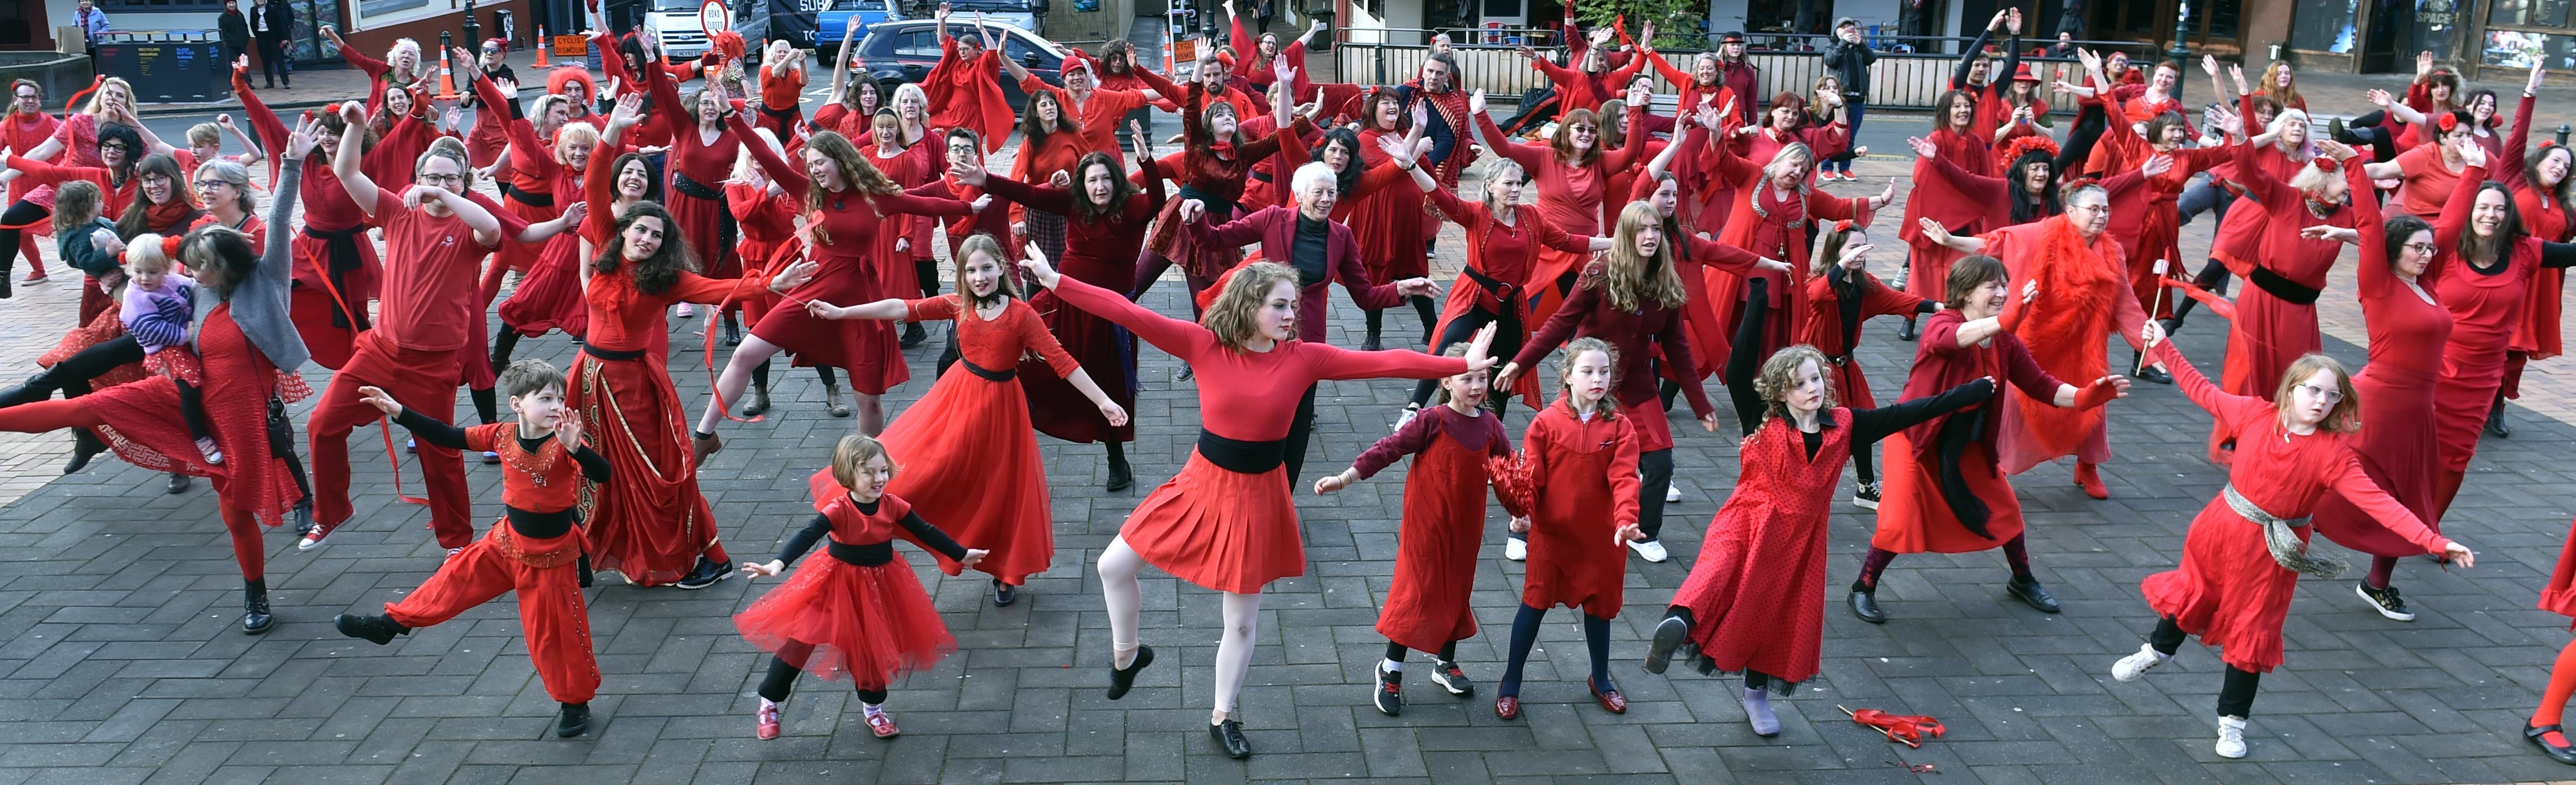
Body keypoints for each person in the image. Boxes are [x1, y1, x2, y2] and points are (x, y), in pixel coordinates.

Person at [1022, 249, 1493, 758]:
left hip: (1258, 496)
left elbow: (1383, 363)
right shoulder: (1202, 345)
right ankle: (1127, 656)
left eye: (1294, 305)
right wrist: (1057, 281)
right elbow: (1126, 310)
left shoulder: (1305, 358)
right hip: (1201, 483)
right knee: (1112, 566)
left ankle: (1223, 714)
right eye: (1282, 305)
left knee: (1242, 621)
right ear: (1249, 305)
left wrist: (1458, 364)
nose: (1293, 315)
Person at [1643, 279, 1994, 738]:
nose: (1811, 388)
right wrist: (1757, 300)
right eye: (1799, 383)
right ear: (1780, 391)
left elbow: (1908, 412)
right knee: (1717, 569)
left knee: (1774, 614)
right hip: (1747, 519)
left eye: (1815, 379)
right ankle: (1679, 622)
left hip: (1799, 542)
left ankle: (1756, 695)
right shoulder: (1761, 419)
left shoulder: (1846, 426)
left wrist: (1967, 393)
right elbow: (1739, 367)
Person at [0, 134, 312, 635]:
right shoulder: (200, 294)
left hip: (238, 418)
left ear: (223, 266)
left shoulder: (264, 288)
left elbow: (276, 224)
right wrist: (122, 262)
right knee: (93, 406)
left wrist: (291, 163)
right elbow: (164, 261)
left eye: (200, 265)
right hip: (185, 394)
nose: (189, 272)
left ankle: (256, 592)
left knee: (235, 516)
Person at [2113, 326, 2474, 760]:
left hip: (2274, 549)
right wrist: (2162, 345)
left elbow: (2380, 504)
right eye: (2315, 390)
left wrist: (2433, 541)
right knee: (2195, 592)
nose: (2323, 401)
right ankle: (2157, 651)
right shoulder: (2253, 413)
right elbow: (2200, 389)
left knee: (2254, 628)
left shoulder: (2334, 455)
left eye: (2334, 396)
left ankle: (2232, 724)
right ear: (2291, 389)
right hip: (2221, 528)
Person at [802, 233, 1129, 606]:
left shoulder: (1022, 316)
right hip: (956, 398)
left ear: (1000, 269)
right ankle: (866, 529)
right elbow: (903, 308)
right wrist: (844, 313)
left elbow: (1062, 361)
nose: (979, 278)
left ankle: (1005, 572)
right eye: (971, 271)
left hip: (1002, 409)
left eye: (986, 268)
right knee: (921, 468)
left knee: (1001, 490)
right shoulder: (961, 305)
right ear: (961, 274)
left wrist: (1104, 402)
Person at [334, 360, 609, 739]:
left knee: (552, 635)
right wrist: (398, 412)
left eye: (560, 398)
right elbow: (448, 435)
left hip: (549, 559)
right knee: (451, 580)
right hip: (506, 542)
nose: (556, 406)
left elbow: (604, 474)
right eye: (545, 398)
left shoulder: (566, 443)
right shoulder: (501, 435)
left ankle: (574, 704)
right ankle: (390, 625)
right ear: (517, 404)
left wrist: (576, 448)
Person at [1848, 255, 2128, 624]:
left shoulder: (2005, 341)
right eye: (1992, 286)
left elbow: (2041, 385)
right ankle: (1862, 588)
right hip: (1917, 439)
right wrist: (2004, 320)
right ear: (1965, 293)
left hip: (1967, 443)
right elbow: (1952, 340)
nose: (2001, 293)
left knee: (2007, 511)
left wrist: (2083, 397)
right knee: (1899, 520)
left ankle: (2022, 580)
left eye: (2003, 286)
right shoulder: (1943, 323)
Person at [297, 103, 502, 555]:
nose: (441, 185)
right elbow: (348, 171)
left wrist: (445, 197)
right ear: (417, 177)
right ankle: (331, 513)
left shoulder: (468, 227)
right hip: (380, 351)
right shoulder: (395, 212)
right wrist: (354, 125)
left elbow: (491, 230)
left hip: (433, 363)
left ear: (465, 183)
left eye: (451, 178)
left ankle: (456, 541)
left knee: (440, 454)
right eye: (433, 177)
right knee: (323, 423)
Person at [693, 129, 974, 445]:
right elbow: (769, 159)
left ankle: (868, 465)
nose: (813, 170)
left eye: (820, 163)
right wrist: (732, 117)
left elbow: (924, 204)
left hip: (860, 299)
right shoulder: (809, 192)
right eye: (810, 164)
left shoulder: (872, 196)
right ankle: (704, 436)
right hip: (813, 289)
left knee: (868, 398)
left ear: (840, 161)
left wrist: (969, 209)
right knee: (745, 354)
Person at [735, 435, 989, 741]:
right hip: (834, 585)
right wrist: (778, 563)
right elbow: (807, 535)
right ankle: (769, 702)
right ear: (848, 475)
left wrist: (961, 554)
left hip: (880, 585)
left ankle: (873, 710)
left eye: (883, 470)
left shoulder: (893, 505)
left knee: (872, 648)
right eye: (868, 472)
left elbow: (926, 531)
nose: (879, 478)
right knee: (801, 641)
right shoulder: (839, 509)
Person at [956, 136, 1166, 491]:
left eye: (1106, 179)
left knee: (1107, 381)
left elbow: (1158, 200)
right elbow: (1031, 196)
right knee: (1031, 363)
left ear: (1116, 182)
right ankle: (1007, 429)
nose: (1099, 186)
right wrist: (986, 180)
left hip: (1111, 314)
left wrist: (1147, 161)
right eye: (1092, 180)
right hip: (1064, 303)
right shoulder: (1074, 205)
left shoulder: (1130, 209)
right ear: (1082, 185)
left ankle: (1117, 459)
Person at [1916, 183, 2146, 500]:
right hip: (2038, 334)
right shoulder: (2043, 234)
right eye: (2094, 209)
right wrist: (1952, 240)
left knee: (2093, 397)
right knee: (2018, 401)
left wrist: (2150, 342)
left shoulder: (2112, 251)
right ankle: (2001, 467)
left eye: (2106, 209)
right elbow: (1999, 243)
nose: (2102, 216)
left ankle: (2088, 466)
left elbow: (2125, 301)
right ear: (2071, 212)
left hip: (2085, 340)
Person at [1314, 344, 1503, 714]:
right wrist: (1346, 478)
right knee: (1417, 592)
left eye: (1482, 378)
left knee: (1456, 588)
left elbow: (1507, 468)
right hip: (1426, 525)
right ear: (1446, 380)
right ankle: (1390, 669)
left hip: (1466, 526)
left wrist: (1521, 512)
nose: (1478, 386)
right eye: (1468, 378)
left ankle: (1444, 663)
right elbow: (1389, 449)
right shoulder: (1432, 420)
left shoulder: (1491, 425)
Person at [1488, 337, 1640, 720]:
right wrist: (1523, 513)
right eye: (1588, 371)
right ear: (1568, 376)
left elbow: (1625, 479)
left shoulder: (1620, 427)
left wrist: (1626, 520)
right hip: (1552, 537)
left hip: (1602, 538)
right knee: (1533, 604)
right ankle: (1510, 682)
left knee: (1600, 610)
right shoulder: (1545, 423)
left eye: (1604, 371)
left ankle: (1601, 679)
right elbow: (1532, 477)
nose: (1597, 379)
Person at [1399, 154, 1610, 420]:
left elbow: (1568, 241)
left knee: (1502, 368)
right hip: (1475, 296)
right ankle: (1414, 408)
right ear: (1490, 186)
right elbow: (1439, 195)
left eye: (1519, 183)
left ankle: (1491, 426)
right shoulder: (1476, 213)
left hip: (1510, 305)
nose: (1516, 189)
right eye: (1508, 183)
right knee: (1449, 343)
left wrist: (1615, 242)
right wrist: (1410, 164)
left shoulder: (1530, 216)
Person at [1797, 222, 1944, 508]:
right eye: (1854, 248)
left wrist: (1940, 307)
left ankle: (1866, 487)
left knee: (1862, 425)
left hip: (1847, 369)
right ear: (1836, 251)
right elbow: (1816, 295)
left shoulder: (1865, 286)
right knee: (1814, 431)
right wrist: (1843, 264)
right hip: (1816, 372)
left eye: (1863, 247)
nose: (1860, 254)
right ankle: (1803, 489)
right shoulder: (1821, 281)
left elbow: (1900, 300)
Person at [1819, 18, 1875, 181]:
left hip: (1857, 99)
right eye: (1844, 27)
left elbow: (1871, 59)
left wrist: (1861, 44)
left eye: (1851, 27)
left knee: (1850, 137)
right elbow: (1831, 61)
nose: (1848, 30)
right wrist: (1843, 43)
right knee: (1832, 134)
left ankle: (1844, 168)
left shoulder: (1859, 48)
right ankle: (1827, 168)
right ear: (1837, 31)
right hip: (1840, 99)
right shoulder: (1832, 46)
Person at [253, 0, 292, 89]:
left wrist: (283, 38)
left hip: (274, 38)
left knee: (279, 60)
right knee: (266, 61)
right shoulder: (253, 10)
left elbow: (280, 24)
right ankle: (270, 82)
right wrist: (257, 34)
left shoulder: (272, 9)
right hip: (262, 38)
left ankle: (286, 82)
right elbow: (253, 24)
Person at [218, 0, 250, 67]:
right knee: (231, 64)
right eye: (230, 3)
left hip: (242, 44)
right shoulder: (223, 18)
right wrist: (232, 40)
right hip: (231, 46)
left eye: (233, 3)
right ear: (226, 5)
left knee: (244, 63)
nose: (232, 5)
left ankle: (246, 78)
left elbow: (245, 27)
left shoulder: (240, 14)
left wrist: (246, 38)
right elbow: (223, 33)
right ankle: (232, 78)